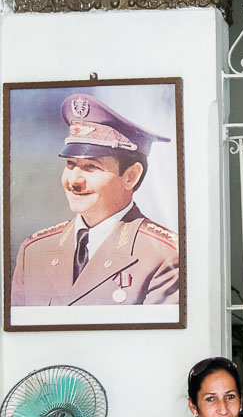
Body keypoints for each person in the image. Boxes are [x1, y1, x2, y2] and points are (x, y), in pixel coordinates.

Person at [11, 92, 179, 307]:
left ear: (131, 176)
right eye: (70, 165)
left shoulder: (164, 255)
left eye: (91, 167)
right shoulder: (34, 252)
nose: (74, 181)